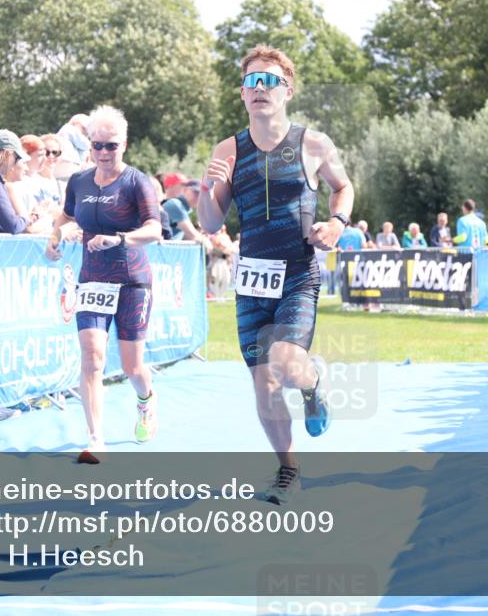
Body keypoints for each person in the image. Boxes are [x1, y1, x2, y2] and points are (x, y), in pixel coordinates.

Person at [197, 44, 353, 504]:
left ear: (288, 91)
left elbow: (343, 187)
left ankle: (313, 380)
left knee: (286, 366)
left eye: (270, 81)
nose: (260, 88)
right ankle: (289, 471)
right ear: (242, 93)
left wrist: (336, 224)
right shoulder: (228, 149)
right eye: (252, 81)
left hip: (298, 274)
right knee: (264, 384)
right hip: (251, 282)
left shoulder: (313, 144)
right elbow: (210, 221)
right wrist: (207, 187)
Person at [45, 106, 162, 464]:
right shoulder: (79, 181)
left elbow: (154, 229)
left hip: (131, 281)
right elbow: (66, 215)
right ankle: (96, 438)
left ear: (124, 144)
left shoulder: (136, 182)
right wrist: (55, 236)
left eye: (111, 145)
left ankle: (146, 400)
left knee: (132, 367)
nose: (103, 153)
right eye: (97, 145)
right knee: (92, 357)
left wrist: (119, 239)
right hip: (93, 278)